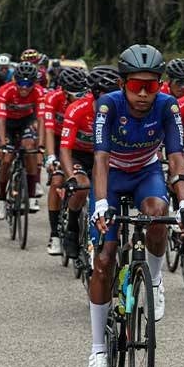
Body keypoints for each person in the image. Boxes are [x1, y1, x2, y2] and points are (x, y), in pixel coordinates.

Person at [86, 44, 184, 367]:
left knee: (159, 212)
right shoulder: (108, 105)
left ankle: (155, 280)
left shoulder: (168, 105)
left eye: (151, 85)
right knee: (105, 258)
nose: (144, 93)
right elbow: (100, 158)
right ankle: (98, 350)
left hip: (146, 172)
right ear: (123, 84)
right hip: (111, 176)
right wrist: (101, 203)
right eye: (136, 85)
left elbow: (176, 156)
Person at [58, 65, 121, 259]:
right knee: (82, 186)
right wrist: (70, 177)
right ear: (97, 94)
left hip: (102, 156)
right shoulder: (77, 109)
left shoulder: (121, 110)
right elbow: (65, 148)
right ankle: (72, 229)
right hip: (77, 154)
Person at [42, 67, 89, 255]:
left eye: (81, 93)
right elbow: (48, 129)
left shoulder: (86, 103)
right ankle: (54, 234)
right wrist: (50, 157)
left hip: (79, 143)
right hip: (59, 141)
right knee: (57, 180)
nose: (78, 98)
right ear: (63, 91)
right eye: (74, 94)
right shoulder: (53, 98)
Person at [0, 61, 44, 218]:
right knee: (7, 159)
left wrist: (41, 144)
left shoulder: (39, 91)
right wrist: (2, 144)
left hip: (25, 122)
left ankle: (31, 196)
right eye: (21, 83)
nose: (24, 87)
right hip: (8, 124)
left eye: (28, 84)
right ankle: (1, 198)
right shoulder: (5, 90)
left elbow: (41, 119)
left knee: (30, 149)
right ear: (15, 80)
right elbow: (1, 119)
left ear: (34, 83)